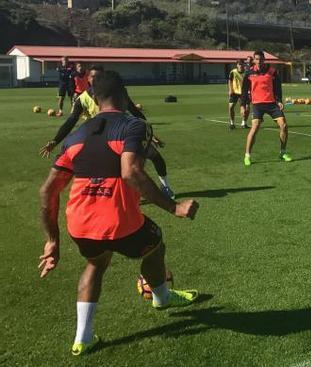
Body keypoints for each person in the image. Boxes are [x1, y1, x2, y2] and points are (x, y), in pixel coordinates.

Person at [37, 70, 199, 357]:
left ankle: (82, 339)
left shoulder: (76, 137)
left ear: (95, 100)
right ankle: (162, 298)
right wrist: (174, 206)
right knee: (155, 246)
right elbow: (131, 172)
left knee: (96, 264)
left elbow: (48, 191)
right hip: (118, 220)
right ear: (123, 95)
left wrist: (53, 240)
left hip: (80, 223)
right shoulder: (134, 126)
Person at [39, 65, 176, 199]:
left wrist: (149, 134)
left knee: (155, 157)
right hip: (99, 140)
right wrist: (55, 140)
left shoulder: (115, 93)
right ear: (88, 79)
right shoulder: (83, 99)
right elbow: (71, 121)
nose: (96, 79)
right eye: (93, 76)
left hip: (122, 134)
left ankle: (165, 186)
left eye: (99, 76)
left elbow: (135, 111)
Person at [243, 50, 291, 165]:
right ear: (254, 60)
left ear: (264, 59)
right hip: (257, 104)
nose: (259, 61)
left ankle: (283, 152)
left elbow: (277, 88)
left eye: (261, 59)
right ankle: (247, 155)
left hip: (272, 104)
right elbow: (244, 90)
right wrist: (243, 105)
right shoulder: (249, 73)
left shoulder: (272, 71)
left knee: (283, 125)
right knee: (255, 127)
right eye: (257, 59)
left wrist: (279, 100)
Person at [228, 60, 249, 129]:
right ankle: (232, 123)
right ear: (236, 65)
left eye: (242, 64)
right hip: (235, 92)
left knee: (245, 108)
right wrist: (230, 90)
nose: (240, 65)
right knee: (231, 107)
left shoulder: (247, 72)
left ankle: (244, 123)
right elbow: (230, 81)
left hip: (244, 93)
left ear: (244, 65)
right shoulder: (233, 72)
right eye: (239, 64)